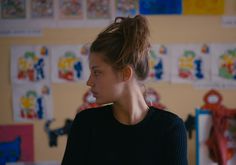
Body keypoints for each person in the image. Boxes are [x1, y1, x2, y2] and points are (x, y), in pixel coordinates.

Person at [61, 15, 188, 165]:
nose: (89, 82)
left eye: (97, 72)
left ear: (125, 73)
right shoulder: (86, 124)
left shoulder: (170, 128)